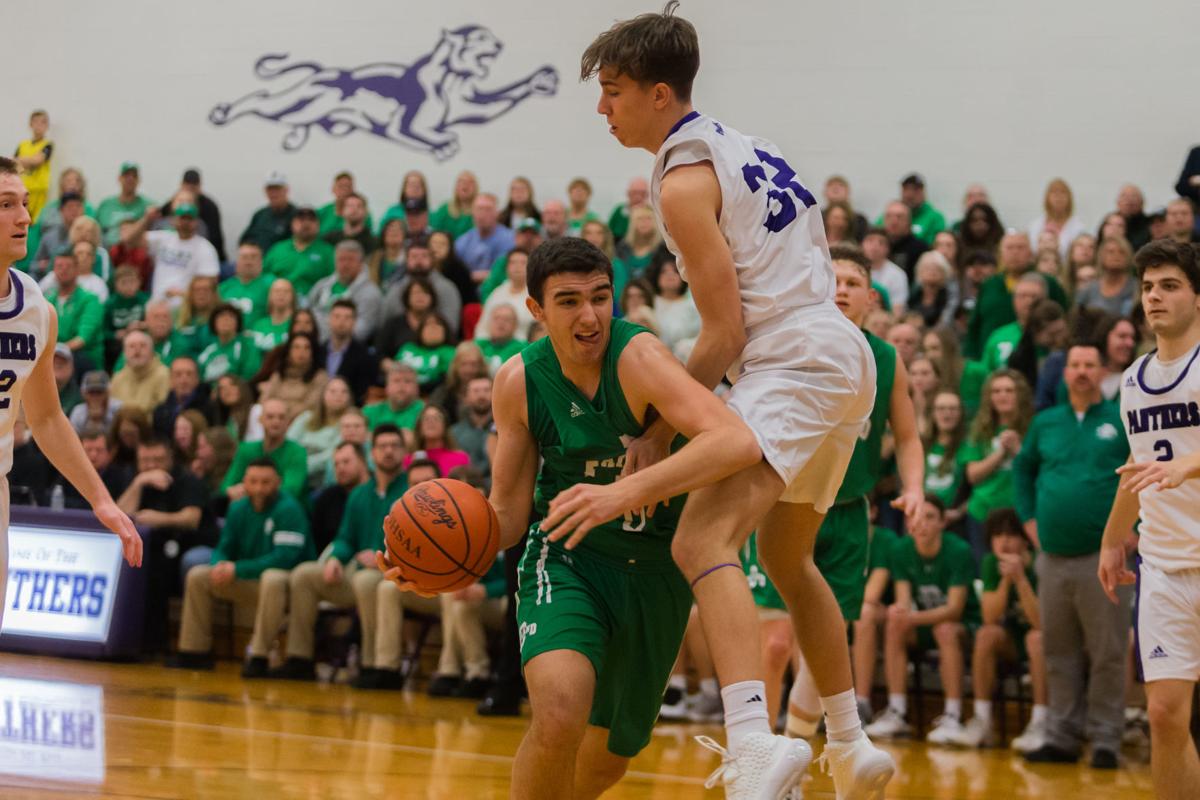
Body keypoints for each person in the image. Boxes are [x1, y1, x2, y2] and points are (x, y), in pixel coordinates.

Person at [575, 10, 894, 796]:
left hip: (792, 357)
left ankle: (755, 741)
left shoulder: (684, 183)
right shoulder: (749, 144)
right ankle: (850, 744)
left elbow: (721, 332)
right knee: (787, 558)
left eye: (612, 92)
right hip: (840, 354)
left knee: (699, 539)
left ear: (657, 94)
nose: (602, 109)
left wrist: (653, 429)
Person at [377, 236, 760, 798]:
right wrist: (448, 563)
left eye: (600, 297)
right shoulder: (518, 381)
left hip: (657, 571)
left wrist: (621, 491)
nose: (589, 316)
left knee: (606, 761)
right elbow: (506, 512)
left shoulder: (639, 358)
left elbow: (734, 442)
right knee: (558, 711)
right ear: (536, 310)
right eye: (569, 301)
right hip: (567, 560)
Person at [777, 244, 924, 740]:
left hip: (845, 513)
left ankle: (791, 755)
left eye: (852, 283)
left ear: (872, 299)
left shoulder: (885, 359)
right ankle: (753, 748)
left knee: (825, 642)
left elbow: (907, 437)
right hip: (783, 506)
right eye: (831, 279)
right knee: (774, 639)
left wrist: (916, 489)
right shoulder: (788, 341)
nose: (840, 289)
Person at [1099, 238, 1200, 796]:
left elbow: (1177, 462)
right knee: (1163, 715)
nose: (1155, 296)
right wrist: (1114, 537)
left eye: (1169, 285)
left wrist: (1189, 464)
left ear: (1198, 297)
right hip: (1162, 563)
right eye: (1147, 287)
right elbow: (1140, 466)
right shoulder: (1135, 380)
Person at [1015, 343, 1130, 768]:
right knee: (1058, 650)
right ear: (1064, 374)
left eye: (1089, 365)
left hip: (1105, 559)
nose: (1081, 372)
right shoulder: (1045, 422)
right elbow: (1022, 469)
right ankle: (1061, 736)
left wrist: (1132, 529)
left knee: (1108, 652)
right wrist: (1028, 517)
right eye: (1074, 365)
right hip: (1052, 557)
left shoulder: (1120, 419)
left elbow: (1143, 471)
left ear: (1103, 372)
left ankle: (1105, 740)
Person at [269, 424, 406, 681]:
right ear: (372, 454)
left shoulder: (411, 491)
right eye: (382, 446)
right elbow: (345, 538)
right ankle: (299, 658)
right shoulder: (359, 495)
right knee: (304, 575)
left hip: (392, 574)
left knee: (366, 581)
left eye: (394, 446)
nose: (388, 452)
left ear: (404, 451)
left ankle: (373, 665)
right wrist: (335, 557)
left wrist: (385, 558)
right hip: (356, 572)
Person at [167, 458, 314, 671]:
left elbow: (285, 558)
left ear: (278, 483)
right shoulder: (238, 508)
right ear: (244, 481)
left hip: (286, 584)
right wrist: (219, 564)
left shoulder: (289, 509)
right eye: (253, 481)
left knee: (272, 578)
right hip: (248, 579)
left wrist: (237, 569)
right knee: (199, 575)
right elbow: (225, 546)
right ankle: (193, 652)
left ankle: (259, 656)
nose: (259, 488)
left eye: (266, 482)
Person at [864, 497, 979, 744]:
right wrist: (900, 612)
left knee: (945, 630)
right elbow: (904, 600)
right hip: (924, 624)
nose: (921, 523)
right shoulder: (902, 549)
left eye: (929, 517)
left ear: (942, 523)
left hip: (964, 627)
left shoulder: (958, 550)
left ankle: (953, 715)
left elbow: (954, 610)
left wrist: (911, 617)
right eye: (915, 517)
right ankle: (896, 712)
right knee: (895, 623)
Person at [955, 509, 1048, 751]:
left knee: (1036, 638)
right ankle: (983, 719)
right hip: (1012, 641)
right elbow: (989, 616)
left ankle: (1041, 721)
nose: (1003, 542)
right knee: (986, 634)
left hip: (1045, 642)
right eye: (997, 536)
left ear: (1025, 538)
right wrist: (1006, 580)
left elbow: (1040, 622)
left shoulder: (1040, 561)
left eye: (1010, 535)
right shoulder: (990, 563)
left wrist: (1020, 579)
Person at [116, 436, 206, 649]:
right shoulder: (134, 478)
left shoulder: (187, 479)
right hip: (151, 547)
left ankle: (157, 643)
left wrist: (160, 519)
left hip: (187, 544)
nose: (151, 466)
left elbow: (191, 518)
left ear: (170, 459)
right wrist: (139, 483)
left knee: (159, 568)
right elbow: (118, 514)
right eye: (145, 460)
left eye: (158, 460)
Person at [124, 202, 220, 307]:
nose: (185, 222)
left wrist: (182, 294)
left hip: (184, 309)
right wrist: (146, 219)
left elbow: (210, 286)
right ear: (173, 220)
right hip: (157, 306)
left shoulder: (205, 248)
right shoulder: (163, 238)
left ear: (196, 222)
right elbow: (129, 240)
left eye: (189, 219)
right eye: (182, 218)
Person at [221, 398, 308, 501]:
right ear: (260, 420)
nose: (276, 422)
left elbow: (291, 490)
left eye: (281, 417)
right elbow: (226, 486)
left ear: (288, 422)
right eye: (270, 417)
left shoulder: (297, 452)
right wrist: (231, 491)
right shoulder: (246, 449)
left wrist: (249, 490)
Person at [308, 240, 383, 342]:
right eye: (341, 260)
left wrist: (321, 330)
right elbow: (307, 313)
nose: (345, 265)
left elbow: (360, 332)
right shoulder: (322, 285)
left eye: (350, 260)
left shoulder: (371, 294)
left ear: (361, 263)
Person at [44, 251, 103, 371]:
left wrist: (56, 352)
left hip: (83, 359)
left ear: (77, 270)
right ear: (53, 271)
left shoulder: (90, 300)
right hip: (53, 358)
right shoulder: (47, 300)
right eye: (59, 266)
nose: (63, 270)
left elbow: (82, 339)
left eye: (68, 266)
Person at [454, 193, 515, 281]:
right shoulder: (463, 241)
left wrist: (470, 276)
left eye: (488, 209)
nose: (482, 214)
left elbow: (505, 272)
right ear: (472, 213)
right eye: (479, 209)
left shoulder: (509, 239)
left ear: (497, 213)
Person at [198, 303, 262, 384]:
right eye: (221, 316)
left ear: (238, 323)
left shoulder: (247, 346)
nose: (226, 319)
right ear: (214, 323)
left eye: (231, 316)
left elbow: (250, 374)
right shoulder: (208, 352)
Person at [96, 163, 154, 247]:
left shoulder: (148, 206)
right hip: (108, 251)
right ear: (119, 178)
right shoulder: (106, 205)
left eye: (134, 176)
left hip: (135, 254)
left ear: (139, 180)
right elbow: (95, 230)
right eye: (126, 175)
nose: (130, 179)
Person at [1027, 178, 1088, 260]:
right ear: (1047, 198)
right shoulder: (1035, 225)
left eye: (1063, 193)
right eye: (1054, 193)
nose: (1058, 197)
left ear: (1069, 198)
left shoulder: (1078, 228)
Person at [218, 243, 272, 327]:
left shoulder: (271, 285)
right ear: (237, 262)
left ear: (261, 262)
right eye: (244, 257)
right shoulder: (223, 288)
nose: (248, 262)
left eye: (253, 257)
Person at [240, 172, 296, 252]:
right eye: (270, 189)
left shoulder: (297, 216)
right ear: (265, 191)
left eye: (277, 189)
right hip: (257, 261)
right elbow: (245, 239)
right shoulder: (260, 214)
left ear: (286, 190)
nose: (273, 193)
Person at [13, 110, 52, 222]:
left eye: (43, 122)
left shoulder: (48, 145)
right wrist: (29, 160)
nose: (39, 125)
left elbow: (38, 160)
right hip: (22, 189)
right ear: (30, 124)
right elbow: (13, 163)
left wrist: (22, 160)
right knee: (20, 219)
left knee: (36, 222)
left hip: (39, 191)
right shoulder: (22, 145)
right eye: (36, 122)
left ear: (47, 126)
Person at [363, 362, 424, 432]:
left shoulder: (424, 413)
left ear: (417, 388)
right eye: (396, 381)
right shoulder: (369, 412)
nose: (402, 386)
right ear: (387, 387)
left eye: (407, 381)